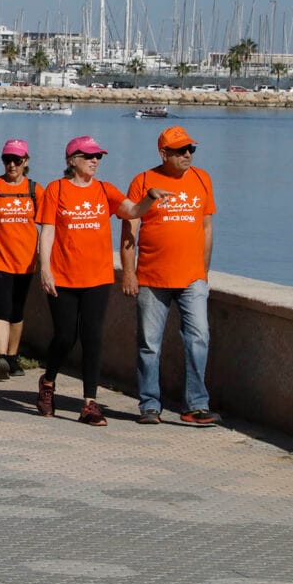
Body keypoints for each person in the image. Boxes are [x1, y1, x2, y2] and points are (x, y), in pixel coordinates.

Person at [36, 136, 171, 426]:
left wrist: (149, 197)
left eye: (98, 156)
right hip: (64, 276)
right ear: (72, 160)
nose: (95, 160)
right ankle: (48, 383)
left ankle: (89, 404)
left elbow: (132, 212)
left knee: (93, 338)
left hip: (97, 277)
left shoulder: (104, 190)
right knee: (64, 337)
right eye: (88, 156)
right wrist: (44, 269)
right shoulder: (55, 189)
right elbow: (47, 231)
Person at [120, 126, 221, 426]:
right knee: (149, 344)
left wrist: (203, 272)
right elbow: (129, 228)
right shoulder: (144, 181)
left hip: (192, 279)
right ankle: (150, 405)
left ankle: (195, 405)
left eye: (191, 149)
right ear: (164, 153)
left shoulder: (202, 179)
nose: (187, 154)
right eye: (180, 150)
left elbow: (206, 228)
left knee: (199, 338)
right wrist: (129, 272)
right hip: (152, 277)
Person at [0, 138, 43, 380]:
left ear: (26, 161)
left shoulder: (35, 190)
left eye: (17, 160)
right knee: (2, 308)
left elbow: (49, 225)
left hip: (25, 262)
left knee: (17, 311)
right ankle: (1, 356)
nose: (11, 165)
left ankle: (13, 357)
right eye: (7, 160)